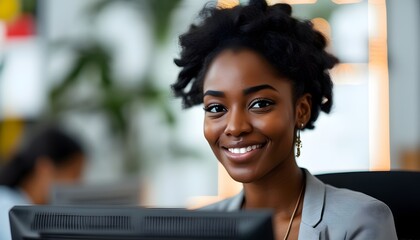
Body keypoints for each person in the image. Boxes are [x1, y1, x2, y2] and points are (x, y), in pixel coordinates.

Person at [171, 0, 397, 239]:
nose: (235, 127)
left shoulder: (358, 221)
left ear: (301, 110)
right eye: (216, 107)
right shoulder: (200, 228)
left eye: (260, 104)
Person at [0, 125, 85, 240]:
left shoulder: (38, 214)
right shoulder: (6, 207)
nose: (79, 184)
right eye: (74, 174)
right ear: (45, 169)